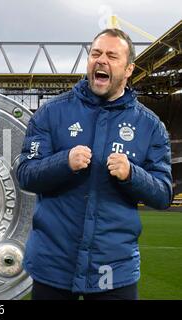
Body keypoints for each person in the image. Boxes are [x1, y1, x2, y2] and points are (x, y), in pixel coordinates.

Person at [16, 28, 172, 300]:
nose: (101, 60)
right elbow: (26, 174)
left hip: (115, 272)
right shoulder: (52, 112)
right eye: (95, 53)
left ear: (128, 70)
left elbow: (163, 195)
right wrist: (63, 162)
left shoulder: (150, 126)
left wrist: (132, 174)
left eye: (112, 56)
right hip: (52, 268)